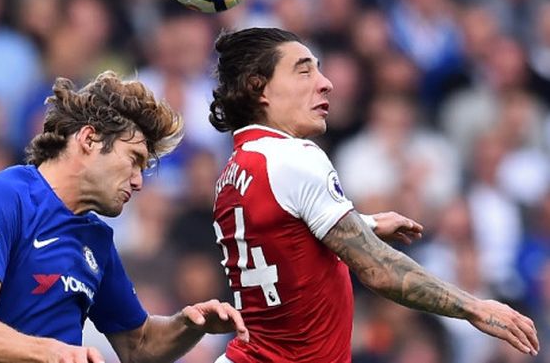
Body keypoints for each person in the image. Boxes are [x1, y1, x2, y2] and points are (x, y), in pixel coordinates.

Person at [208, 27, 539, 363]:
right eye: (304, 71)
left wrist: (364, 223)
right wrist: (474, 307)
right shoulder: (296, 157)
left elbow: (285, 240)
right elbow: (379, 269)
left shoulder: (233, 171)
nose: (325, 83)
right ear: (258, 87)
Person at [0, 71, 249, 363]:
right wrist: (52, 353)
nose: (138, 181)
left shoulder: (96, 238)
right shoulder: (3, 198)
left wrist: (190, 325)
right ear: (89, 139)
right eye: (134, 160)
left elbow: (139, 346)